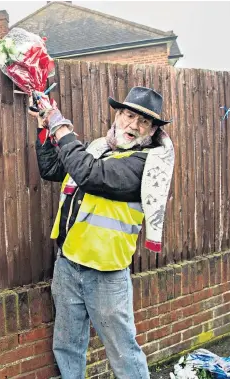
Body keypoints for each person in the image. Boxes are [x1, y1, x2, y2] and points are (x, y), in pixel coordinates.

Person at [29, 86, 175, 379]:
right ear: (117, 115)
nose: (133, 125)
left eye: (143, 121)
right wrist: (45, 129)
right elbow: (52, 169)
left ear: (153, 130)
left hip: (107, 274)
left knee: (122, 351)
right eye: (128, 115)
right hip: (68, 263)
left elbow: (90, 175)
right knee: (67, 345)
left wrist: (60, 125)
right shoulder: (99, 148)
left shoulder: (146, 164)